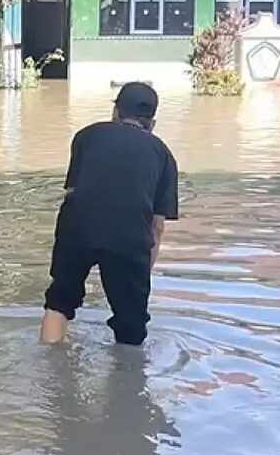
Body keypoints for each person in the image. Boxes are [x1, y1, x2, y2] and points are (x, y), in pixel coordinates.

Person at [39, 81, 179, 346]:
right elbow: (157, 227)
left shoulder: (86, 136)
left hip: (76, 230)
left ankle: (49, 373)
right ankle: (128, 385)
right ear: (153, 122)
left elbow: (73, 190)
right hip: (129, 238)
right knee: (131, 325)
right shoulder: (163, 155)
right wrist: (140, 274)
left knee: (59, 301)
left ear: (115, 111)